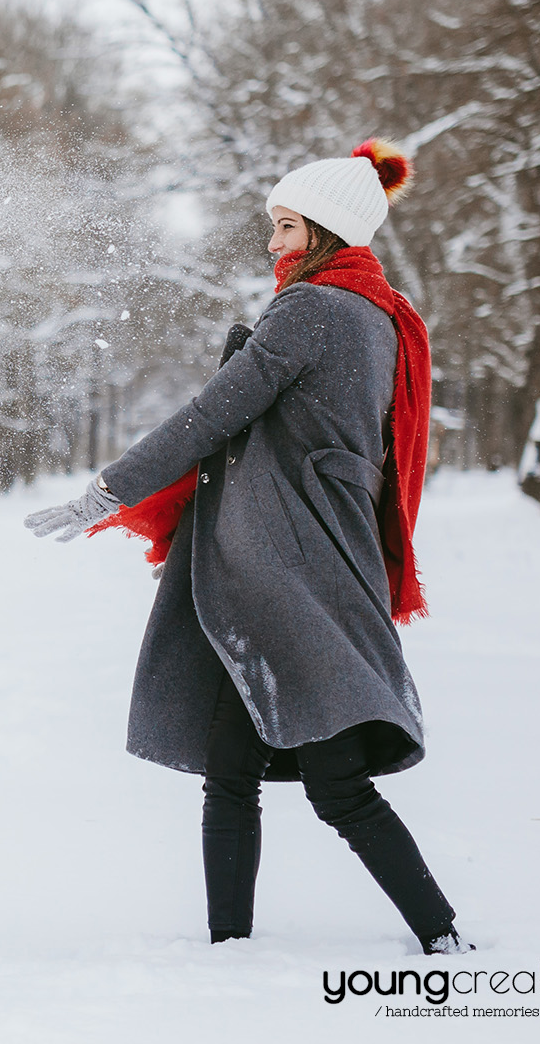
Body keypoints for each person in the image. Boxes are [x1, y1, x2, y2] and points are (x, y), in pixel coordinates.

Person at [25, 140, 472, 955]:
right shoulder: (379, 315)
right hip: (302, 562)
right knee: (231, 767)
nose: (273, 244)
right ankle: (228, 948)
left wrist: (109, 489)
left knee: (336, 782)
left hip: (285, 571)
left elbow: (211, 417)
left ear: (327, 230)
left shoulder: (313, 310)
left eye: (286, 226)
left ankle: (441, 934)